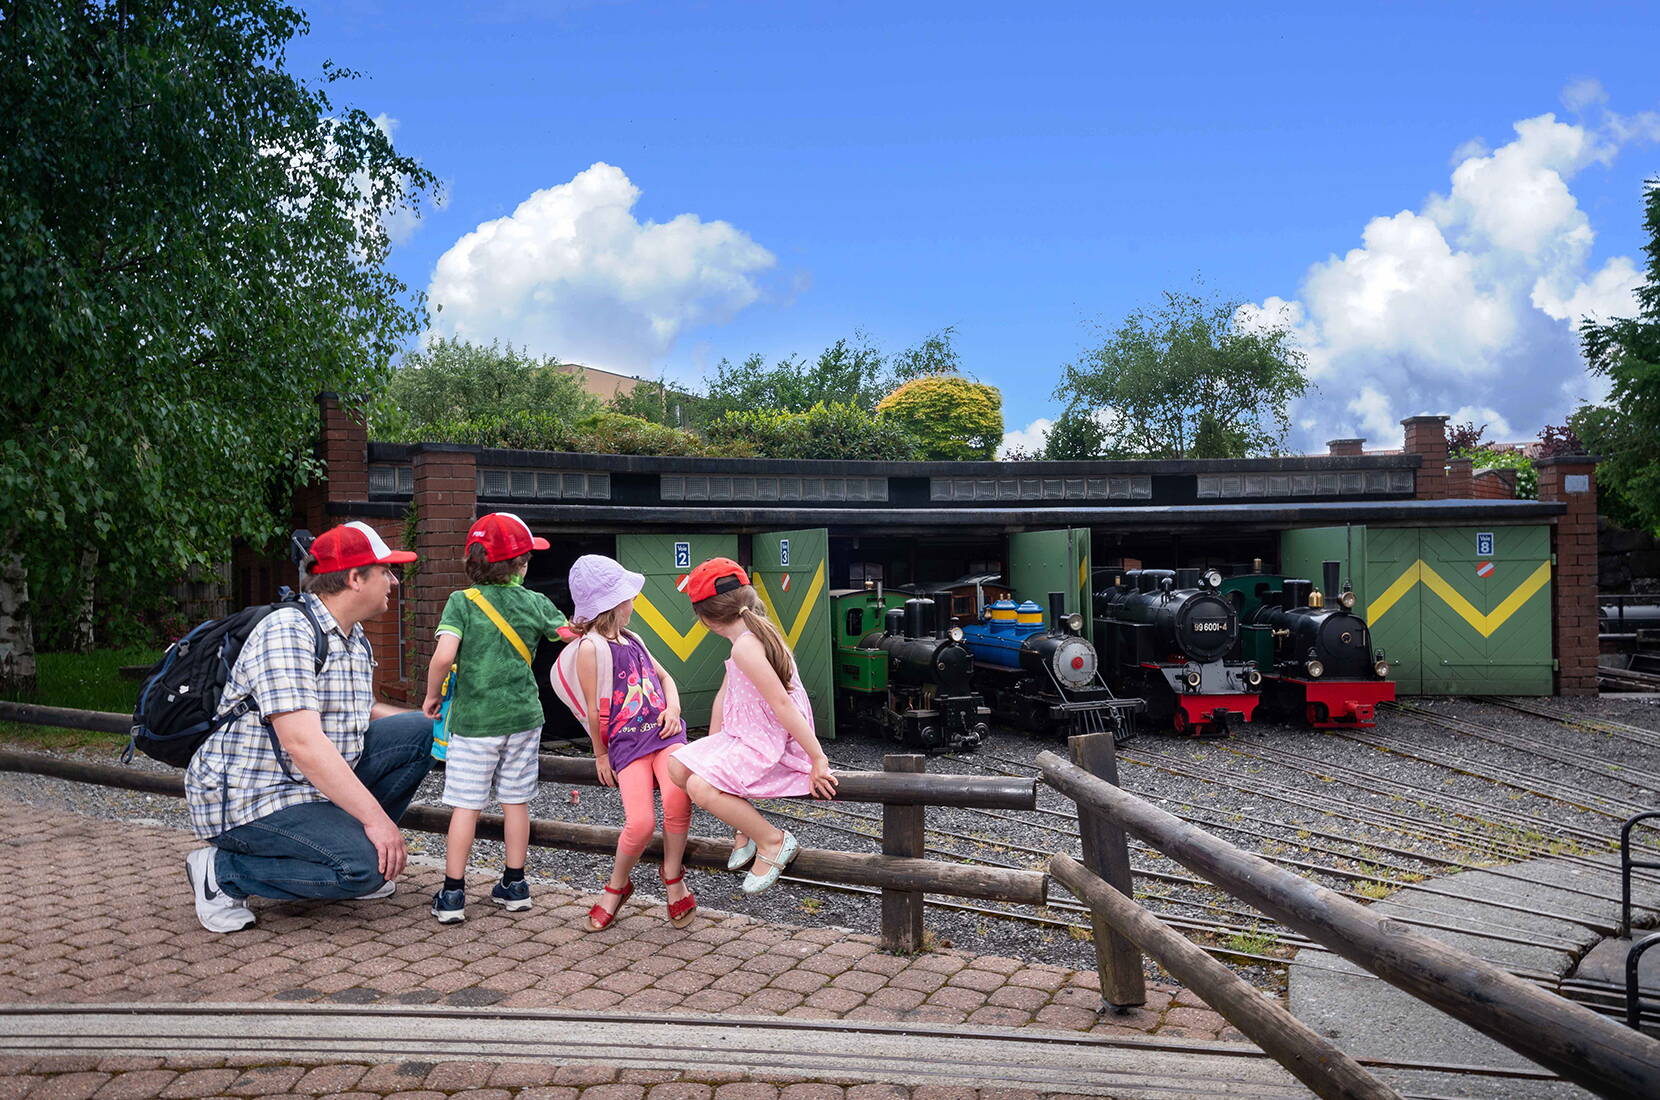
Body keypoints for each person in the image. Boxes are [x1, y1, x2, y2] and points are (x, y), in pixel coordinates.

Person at [183, 521, 431, 933]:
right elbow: (302, 742)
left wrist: (442, 726)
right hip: (253, 798)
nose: (393, 581)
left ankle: (355, 851)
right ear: (354, 578)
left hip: (305, 786)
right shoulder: (288, 632)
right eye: (385, 571)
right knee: (362, 869)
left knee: (420, 733)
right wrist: (378, 822)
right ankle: (224, 873)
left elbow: (355, 710)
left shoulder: (353, 636)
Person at [421, 513, 568, 923]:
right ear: (519, 565)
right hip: (524, 717)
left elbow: (445, 655)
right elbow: (571, 635)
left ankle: (452, 894)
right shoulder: (536, 602)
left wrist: (432, 696)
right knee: (515, 801)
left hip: (475, 722)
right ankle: (516, 884)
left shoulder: (460, 603)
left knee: (466, 807)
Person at [666, 557, 837, 895]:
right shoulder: (751, 634)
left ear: (706, 619)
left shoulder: (747, 645)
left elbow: (782, 704)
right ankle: (742, 828)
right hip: (748, 734)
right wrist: (712, 751)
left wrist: (818, 759)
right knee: (678, 765)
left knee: (700, 787)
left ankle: (772, 841)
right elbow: (723, 695)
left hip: (767, 741)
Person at [562, 554, 693, 931]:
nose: (633, 602)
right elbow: (592, 709)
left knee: (676, 797)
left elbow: (666, 679)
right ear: (615, 604)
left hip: (665, 733)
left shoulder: (634, 639)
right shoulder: (591, 648)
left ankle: (673, 878)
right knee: (640, 824)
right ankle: (617, 886)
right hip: (626, 743)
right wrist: (600, 753)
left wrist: (673, 708)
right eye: (628, 597)